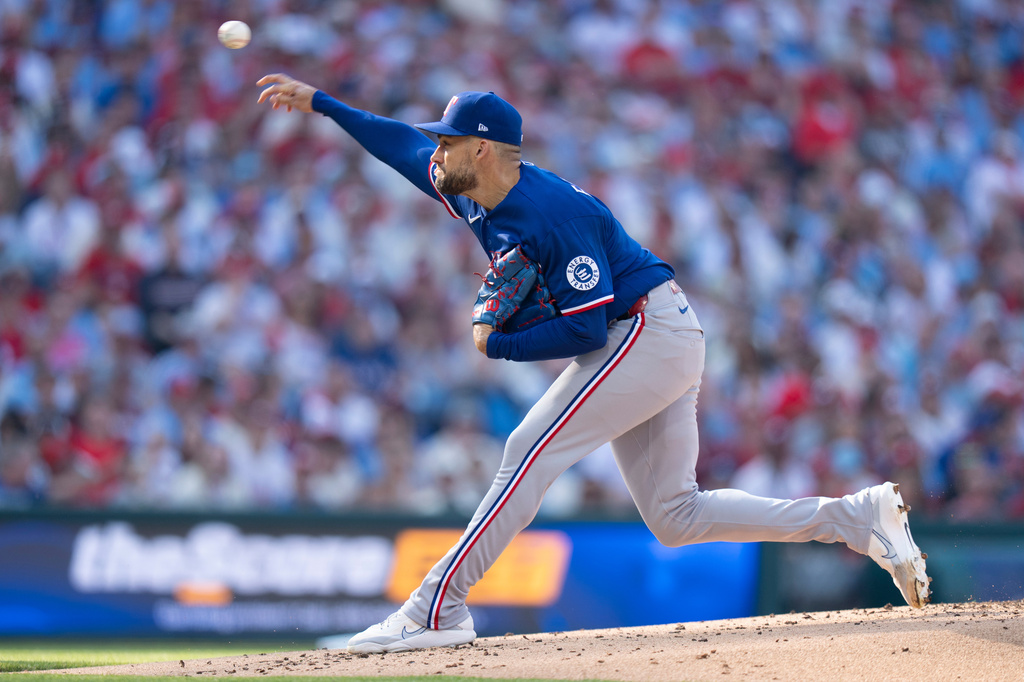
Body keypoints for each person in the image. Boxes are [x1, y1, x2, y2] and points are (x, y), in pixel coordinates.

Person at [255, 74, 931, 653]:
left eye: (449, 140)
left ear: (483, 149)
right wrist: (323, 103)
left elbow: (581, 330)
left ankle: (437, 608)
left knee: (528, 448)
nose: (437, 149)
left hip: (644, 329)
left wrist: (501, 344)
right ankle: (855, 518)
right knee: (676, 516)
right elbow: (398, 142)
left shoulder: (551, 214)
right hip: (651, 332)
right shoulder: (462, 182)